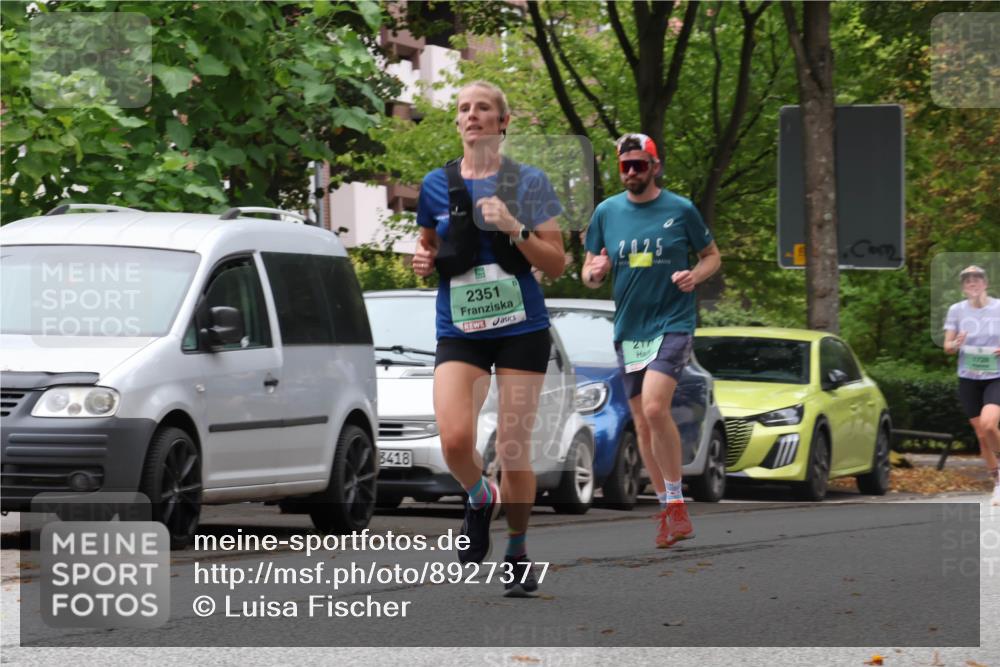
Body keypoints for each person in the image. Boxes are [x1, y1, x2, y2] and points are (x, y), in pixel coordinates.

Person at [411, 81, 566, 596]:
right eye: (463, 109)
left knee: (512, 447)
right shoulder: (436, 183)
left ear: (503, 123)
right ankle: (480, 496)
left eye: (483, 108)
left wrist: (516, 228)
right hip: (460, 330)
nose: (472, 115)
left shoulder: (530, 182)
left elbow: (557, 262)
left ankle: (517, 552)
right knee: (455, 440)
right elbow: (429, 246)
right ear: (457, 123)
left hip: (521, 329)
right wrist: (421, 260)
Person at [582, 133, 721, 547]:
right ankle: (668, 508)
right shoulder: (607, 212)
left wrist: (695, 276)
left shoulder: (680, 210)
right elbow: (590, 271)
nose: (631, 172)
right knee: (642, 421)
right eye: (625, 166)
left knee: (657, 407)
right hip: (630, 330)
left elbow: (712, 256)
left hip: (672, 323)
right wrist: (596, 272)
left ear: (655, 167)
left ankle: (677, 502)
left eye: (639, 165)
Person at [943, 265, 1000, 506]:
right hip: (968, 377)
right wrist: (956, 343)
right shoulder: (956, 310)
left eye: (977, 280)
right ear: (963, 287)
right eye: (968, 281)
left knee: (989, 425)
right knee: (980, 434)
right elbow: (948, 347)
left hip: (996, 375)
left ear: (986, 283)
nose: (973, 284)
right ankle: (997, 482)